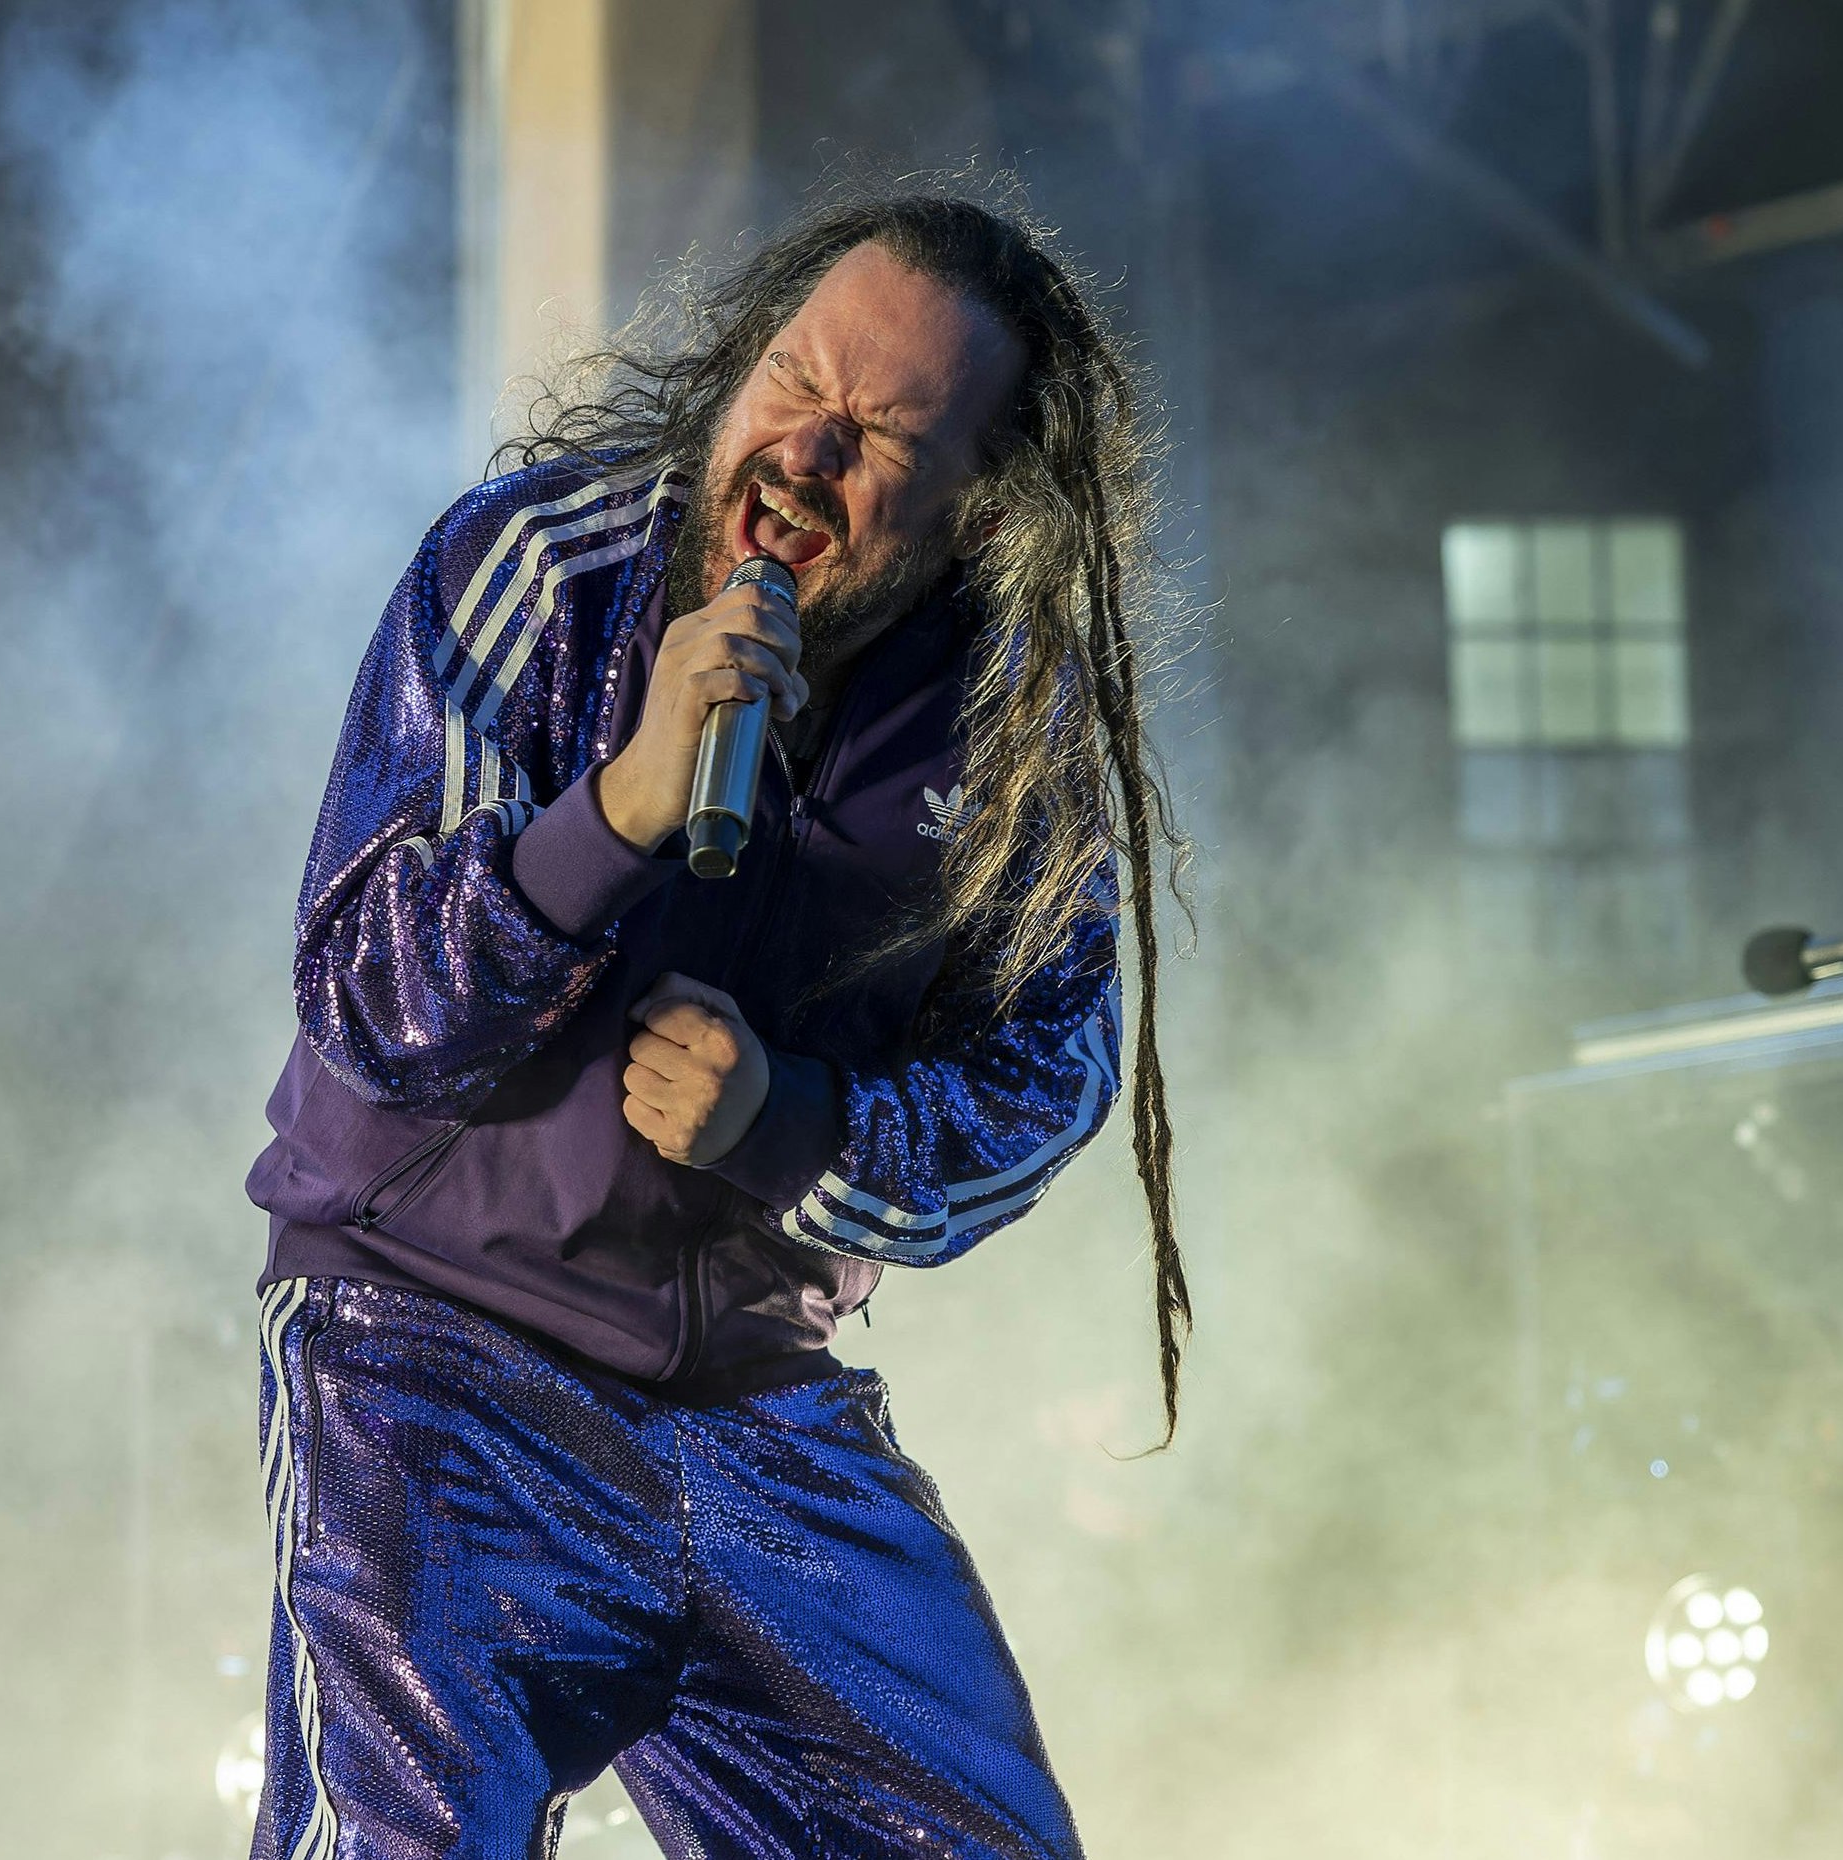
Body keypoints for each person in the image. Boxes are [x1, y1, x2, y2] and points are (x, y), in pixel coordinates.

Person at [243, 188, 1189, 1860]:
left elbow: (1046, 1081)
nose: (803, 453)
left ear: (982, 508)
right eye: (792, 383)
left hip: (755, 1394)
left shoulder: (1014, 737)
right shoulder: (536, 567)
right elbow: (366, 999)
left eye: (881, 430)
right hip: (434, 1359)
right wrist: (613, 808)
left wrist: (792, 1127)